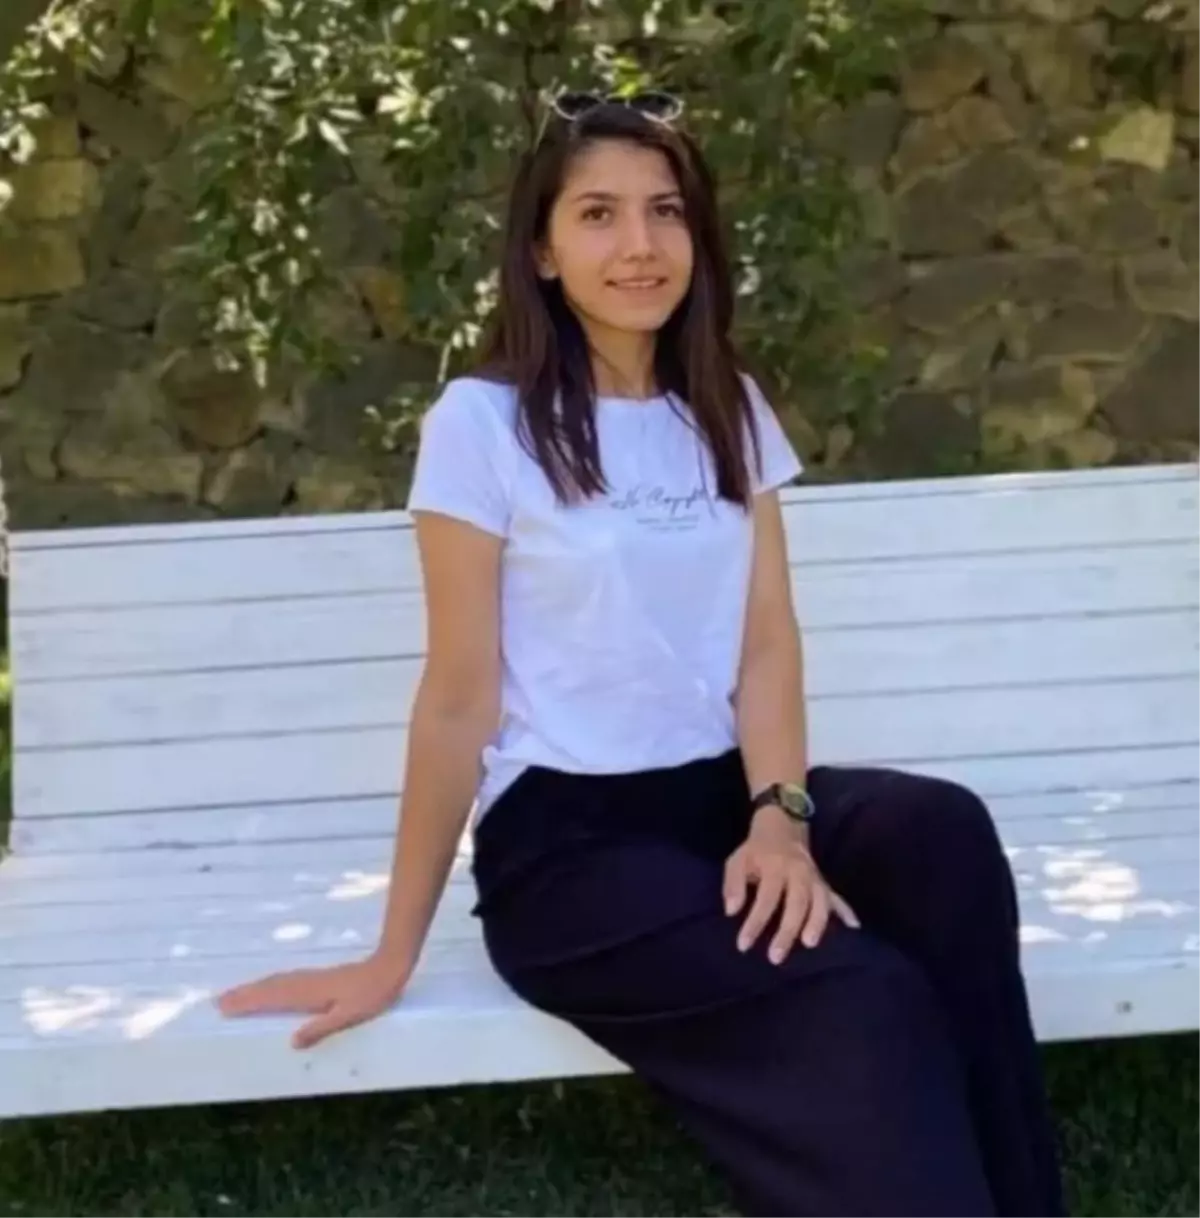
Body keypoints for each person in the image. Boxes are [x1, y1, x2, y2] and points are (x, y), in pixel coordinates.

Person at [217, 90, 1068, 1218]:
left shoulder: (727, 407)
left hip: (716, 802)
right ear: (542, 251)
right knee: (859, 993)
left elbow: (766, 644)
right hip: (568, 850)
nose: (639, 245)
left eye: (665, 211)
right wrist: (392, 953)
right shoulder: (483, 424)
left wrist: (780, 819)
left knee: (940, 835)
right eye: (599, 214)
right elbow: (459, 699)